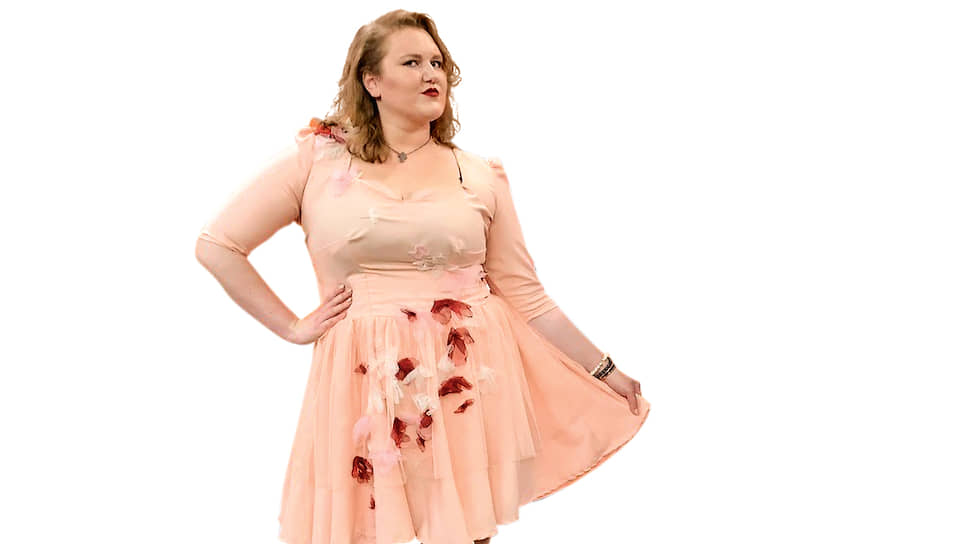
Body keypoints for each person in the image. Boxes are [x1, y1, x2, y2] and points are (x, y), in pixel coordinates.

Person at [195, 9, 650, 544]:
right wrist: (293, 326)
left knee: (461, 532)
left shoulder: (477, 174)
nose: (431, 73)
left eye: (437, 63)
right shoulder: (317, 161)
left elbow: (527, 294)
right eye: (411, 62)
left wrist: (605, 371)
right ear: (372, 81)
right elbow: (218, 246)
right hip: (362, 380)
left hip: (466, 379)